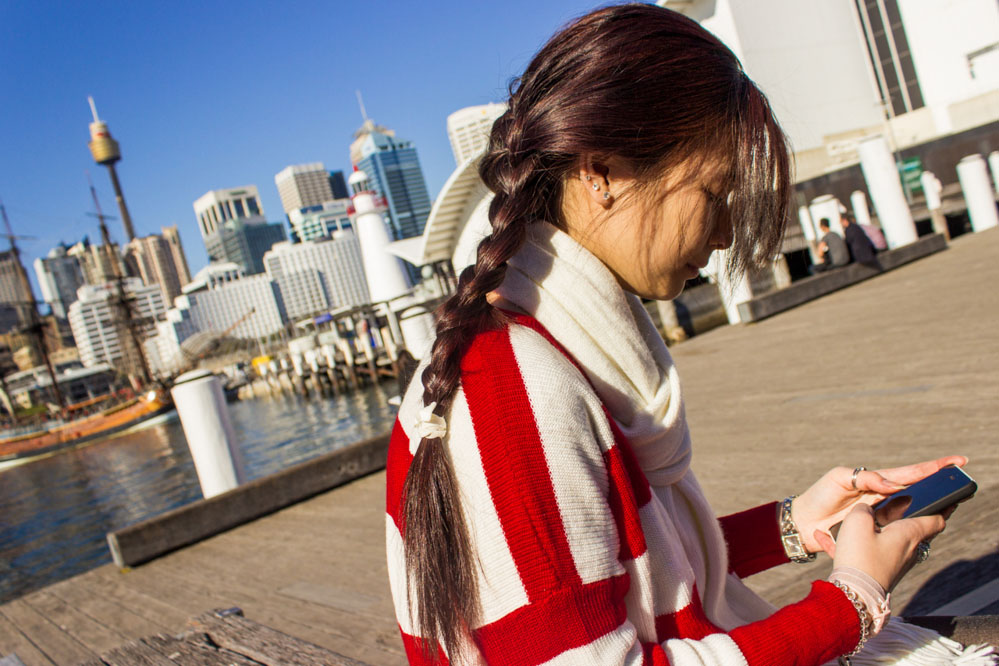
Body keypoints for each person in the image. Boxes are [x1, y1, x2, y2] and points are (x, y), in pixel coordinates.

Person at [385, 5, 986, 665]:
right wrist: (854, 598)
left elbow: (608, 567)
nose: (724, 233)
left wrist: (798, 526)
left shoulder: (537, 348)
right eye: (714, 194)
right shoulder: (509, 386)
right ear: (603, 172)